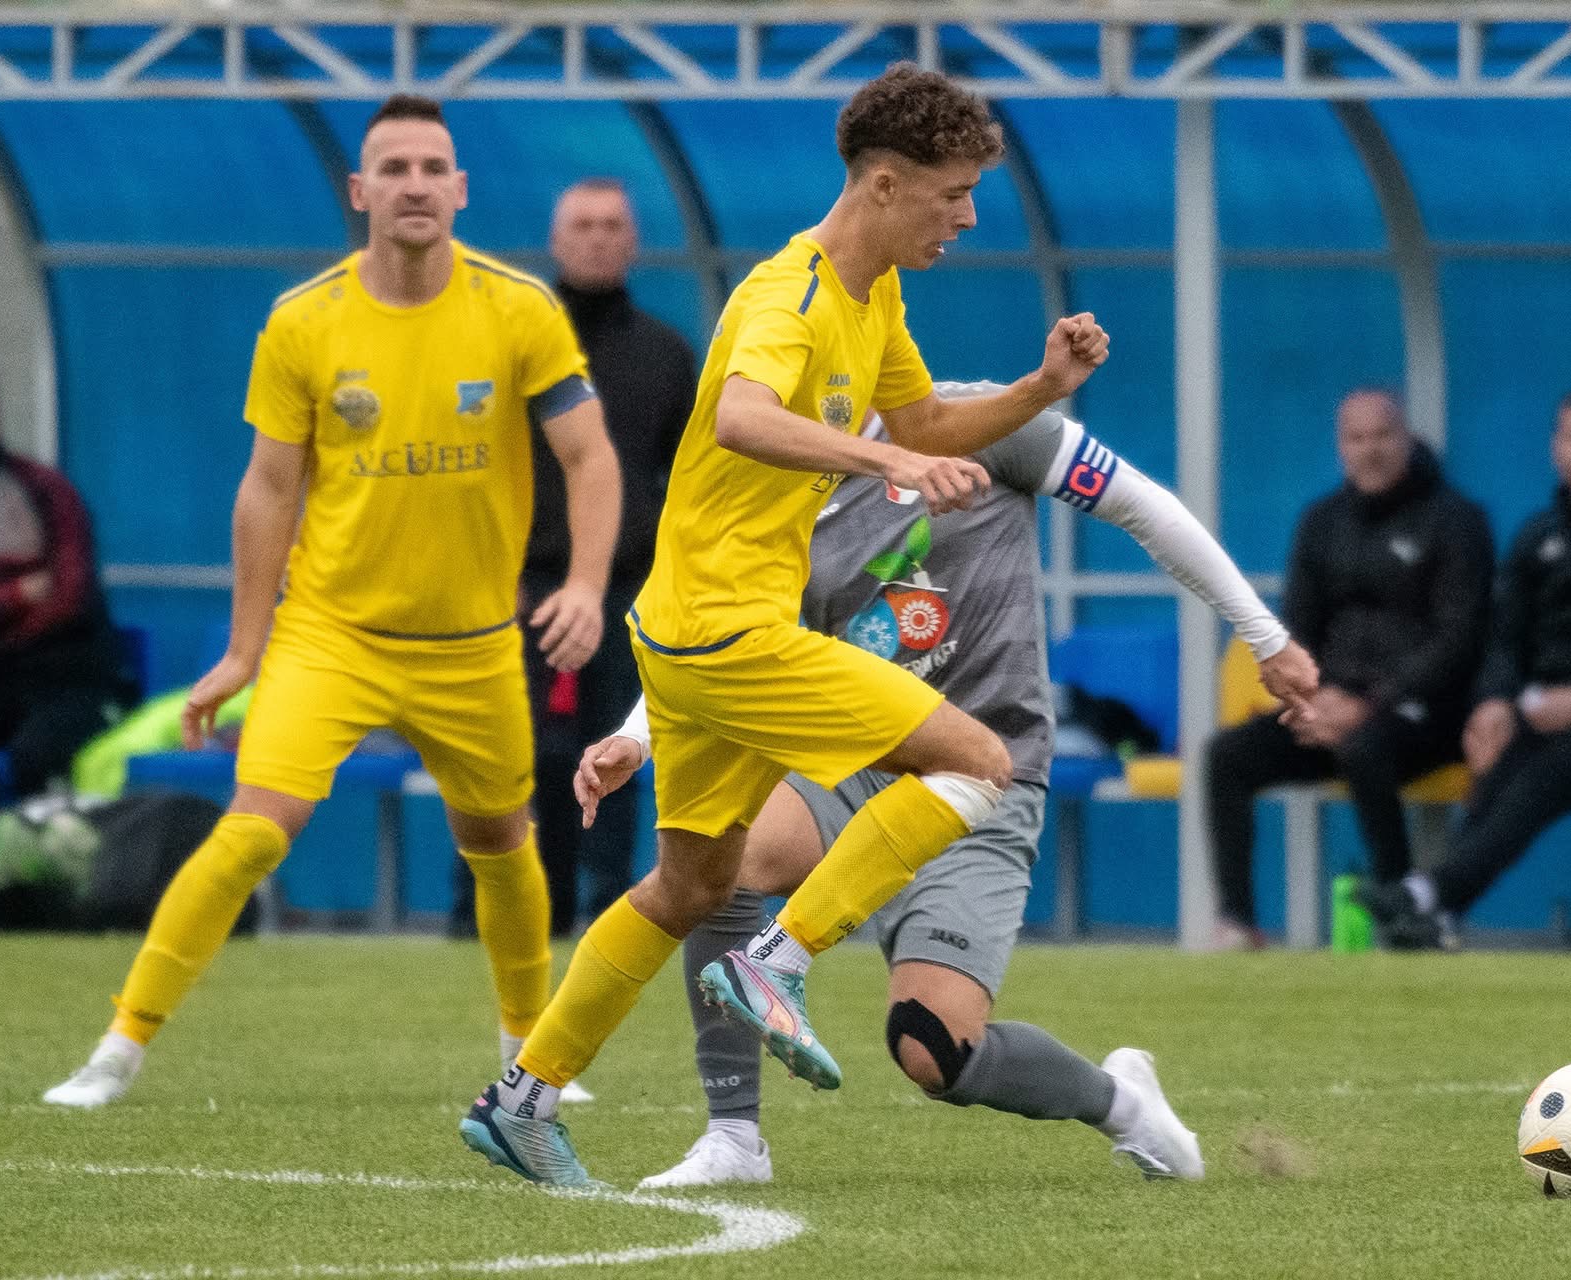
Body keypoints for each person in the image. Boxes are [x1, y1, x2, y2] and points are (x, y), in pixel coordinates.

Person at [456, 63, 1124, 1188]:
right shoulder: (792, 297)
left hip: (691, 630)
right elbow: (743, 416)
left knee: (687, 887)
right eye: (953, 193)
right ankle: (781, 959)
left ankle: (523, 1098)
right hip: (728, 634)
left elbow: (924, 419)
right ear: (883, 183)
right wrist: (885, 461)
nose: (968, 217)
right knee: (979, 763)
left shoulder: (876, 295)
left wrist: (1038, 387)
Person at [571, 380, 1316, 1187]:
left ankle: (1124, 1105)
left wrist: (1265, 636)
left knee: (932, 1051)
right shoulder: (770, 487)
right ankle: (733, 1139)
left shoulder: (982, 421)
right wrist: (633, 737)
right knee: (727, 861)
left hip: (987, 779)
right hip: (859, 764)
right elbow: (712, 640)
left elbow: (1143, 506)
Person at [41, 94, 622, 1107]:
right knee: (253, 830)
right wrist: (242, 649)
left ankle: (531, 1056)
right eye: (392, 168)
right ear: (360, 190)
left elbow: (590, 455)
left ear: (461, 189)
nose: (413, 184)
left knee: (503, 844)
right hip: (334, 634)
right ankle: (116, 1050)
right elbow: (267, 489)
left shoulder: (518, 308)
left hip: (473, 641)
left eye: (431, 167)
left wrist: (583, 584)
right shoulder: (305, 320)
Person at [1360, 387, 1571, 949]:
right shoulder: (1539, 536)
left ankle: (1427, 893)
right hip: (1542, 712)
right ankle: (1438, 913)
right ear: (1556, 447)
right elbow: (1505, 638)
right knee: (1497, 768)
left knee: (1540, 777)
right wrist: (1495, 701)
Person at [447, 178, 695, 939]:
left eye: (611, 225)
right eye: (582, 225)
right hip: (519, 590)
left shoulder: (665, 354)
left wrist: (665, 583)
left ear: (633, 240)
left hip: (626, 595)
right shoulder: (512, 345)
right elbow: (469, 469)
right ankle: (494, 914)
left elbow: (688, 482)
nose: (597, 238)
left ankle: (610, 913)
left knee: (618, 752)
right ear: (555, 241)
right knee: (507, 756)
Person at [1204, 389, 1493, 947]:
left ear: (1406, 437)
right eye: (1356, 439)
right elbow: (1297, 629)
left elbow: (1459, 641)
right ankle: (1238, 922)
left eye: (1382, 435)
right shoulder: (1321, 522)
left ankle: (1400, 911)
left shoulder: (1456, 520)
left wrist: (1371, 703)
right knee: (1227, 755)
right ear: (1340, 447)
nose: (1370, 450)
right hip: (1331, 709)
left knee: (1366, 747)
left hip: (1427, 715)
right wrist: (1313, 700)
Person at [0, 359, 140, 847]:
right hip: (0, 682)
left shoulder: (46, 489)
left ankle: (59, 874)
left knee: (36, 755)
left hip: (77, 676)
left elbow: (69, 597)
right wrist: (16, 595)